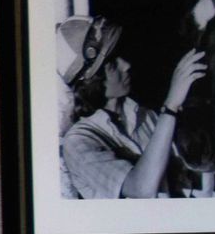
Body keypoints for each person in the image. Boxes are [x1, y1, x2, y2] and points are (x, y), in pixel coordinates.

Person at [56, 14, 207, 199]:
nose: (126, 65)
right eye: (112, 63)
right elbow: (141, 190)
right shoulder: (79, 141)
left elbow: (195, 173)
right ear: (90, 81)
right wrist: (171, 106)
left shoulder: (146, 116)